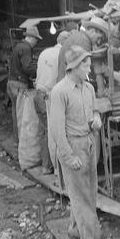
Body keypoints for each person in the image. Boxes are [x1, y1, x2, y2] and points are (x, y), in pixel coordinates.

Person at [48, 45, 108, 239]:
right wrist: (68, 156)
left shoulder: (88, 88)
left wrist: (97, 119)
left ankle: (75, 229)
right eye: (86, 65)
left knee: (88, 192)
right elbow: (56, 130)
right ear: (73, 66)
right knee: (82, 196)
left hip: (88, 143)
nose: (89, 69)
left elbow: (94, 110)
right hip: (72, 146)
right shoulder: (59, 92)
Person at [34, 30, 71, 174]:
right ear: (66, 43)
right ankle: (57, 169)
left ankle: (45, 166)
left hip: (37, 95)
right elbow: (62, 79)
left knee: (44, 131)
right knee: (55, 133)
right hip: (48, 97)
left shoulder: (45, 52)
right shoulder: (61, 55)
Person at [6, 26, 42, 143]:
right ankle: (23, 142)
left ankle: (17, 139)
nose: (36, 43)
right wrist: (40, 68)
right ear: (31, 38)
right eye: (36, 40)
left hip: (11, 83)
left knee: (15, 113)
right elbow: (27, 67)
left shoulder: (18, 46)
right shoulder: (26, 48)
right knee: (22, 114)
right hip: (19, 85)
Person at [56, 17, 110, 82]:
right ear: (92, 31)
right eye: (98, 38)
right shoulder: (83, 41)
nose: (98, 41)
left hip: (66, 81)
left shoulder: (81, 37)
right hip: (69, 85)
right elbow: (83, 67)